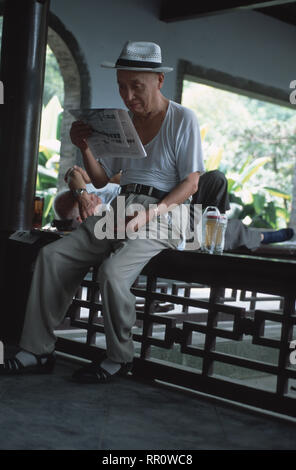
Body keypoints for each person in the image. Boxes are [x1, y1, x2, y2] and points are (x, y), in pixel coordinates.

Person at [0, 40, 205, 382]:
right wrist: (85, 147)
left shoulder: (182, 118)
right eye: (121, 86)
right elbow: (98, 180)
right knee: (53, 257)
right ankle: (38, 350)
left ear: (158, 81)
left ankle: (120, 357)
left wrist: (147, 216)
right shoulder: (123, 120)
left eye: (136, 86)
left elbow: (192, 184)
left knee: (111, 273)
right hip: (121, 206)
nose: (127, 95)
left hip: (165, 213)